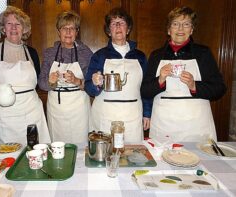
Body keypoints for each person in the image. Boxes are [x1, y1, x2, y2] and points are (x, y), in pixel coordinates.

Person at [141, 6, 226, 142]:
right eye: (175, 24)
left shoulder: (203, 53)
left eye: (186, 24)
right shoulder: (156, 56)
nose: (180, 29)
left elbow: (219, 89)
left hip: (196, 127)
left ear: (191, 30)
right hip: (164, 127)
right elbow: (144, 91)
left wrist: (194, 86)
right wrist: (160, 80)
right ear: (169, 30)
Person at [0, 6, 51, 145]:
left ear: (24, 29)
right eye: (9, 23)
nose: (13, 27)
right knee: (7, 155)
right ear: (3, 28)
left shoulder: (32, 53)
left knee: (36, 150)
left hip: (32, 111)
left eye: (18, 24)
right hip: (5, 115)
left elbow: (35, 84)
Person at [84, 8, 152, 143]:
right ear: (109, 31)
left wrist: (147, 114)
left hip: (133, 115)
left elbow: (146, 88)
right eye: (114, 23)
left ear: (128, 29)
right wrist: (95, 83)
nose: (118, 26)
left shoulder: (140, 57)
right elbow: (88, 88)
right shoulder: (99, 56)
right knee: (106, 156)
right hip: (105, 115)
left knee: (133, 155)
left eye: (122, 22)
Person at [38, 11, 93, 144]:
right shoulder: (50, 53)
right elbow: (41, 84)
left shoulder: (86, 53)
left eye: (72, 28)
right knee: (58, 146)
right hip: (56, 110)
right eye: (64, 28)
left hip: (79, 109)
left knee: (81, 146)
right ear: (59, 31)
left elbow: (92, 85)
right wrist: (50, 82)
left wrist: (77, 81)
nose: (68, 32)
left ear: (77, 31)